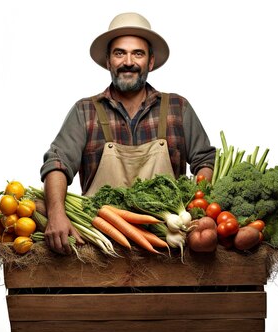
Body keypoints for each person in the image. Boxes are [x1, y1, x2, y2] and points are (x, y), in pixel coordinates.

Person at [40, 12, 216, 255]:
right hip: (100, 246)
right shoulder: (86, 111)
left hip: (170, 245)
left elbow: (205, 161)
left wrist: (198, 207)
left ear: (150, 62)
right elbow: (57, 163)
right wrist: (57, 213)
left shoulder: (177, 108)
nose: (128, 61)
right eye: (119, 53)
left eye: (138, 53)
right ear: (108, 61)